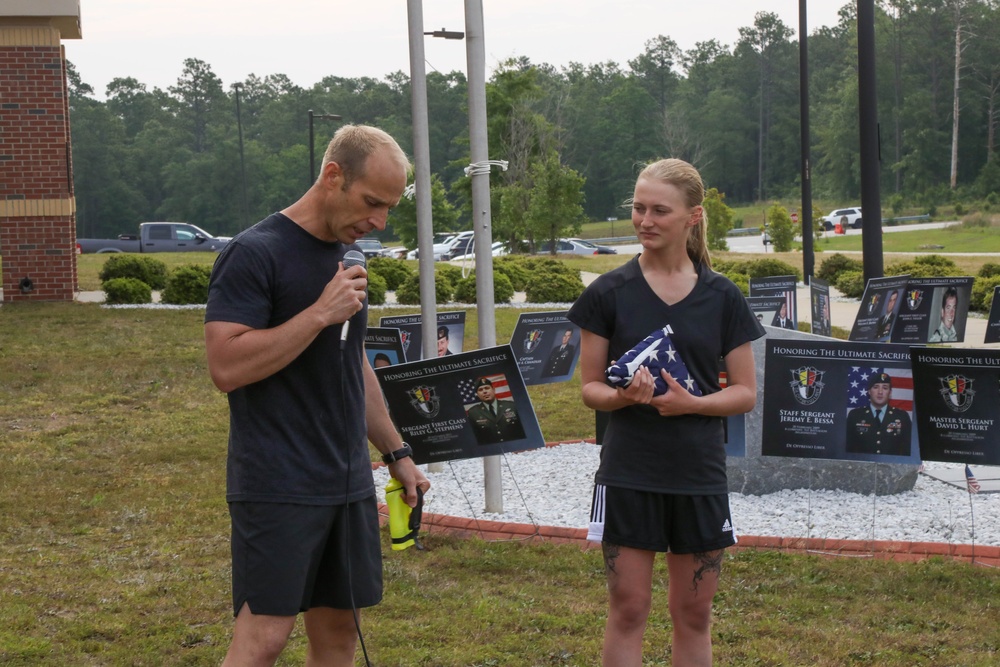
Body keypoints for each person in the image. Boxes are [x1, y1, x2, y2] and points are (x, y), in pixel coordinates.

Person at [204, 124, 430, 667]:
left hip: (346, 480)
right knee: (265, 639)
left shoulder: (349, 260)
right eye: (372, 202)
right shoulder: (253, 254)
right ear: (333, 176)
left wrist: (397, 453)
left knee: (338, 633)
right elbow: (227, 365)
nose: (378, 222)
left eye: (390, 208)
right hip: (278, 481)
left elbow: (350, 363)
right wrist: (319, 314)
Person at [568, 158, 764, 666]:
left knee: (694, 614)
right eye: (638, 208)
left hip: (698, 474)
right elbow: (589, 388)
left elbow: (744, 392)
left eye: (659, 210)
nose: (645, 220)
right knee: (628, 610)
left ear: (692, 217)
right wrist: (621, 398)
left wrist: (692, 404)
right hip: (629, 470)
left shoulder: (722, 297)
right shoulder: (608, 293)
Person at [845, 372, 912, 456]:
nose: (880, 392)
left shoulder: (902, 416)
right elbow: (847, 450)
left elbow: (908, 451)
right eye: (876, 387)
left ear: (890, 392)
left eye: (885, 388)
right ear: (869, 391)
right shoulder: (855, 415)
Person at [465, 376, 525, 444]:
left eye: (487, 388)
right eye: (480, 390)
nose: (484, 391)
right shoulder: (473, 413)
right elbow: (475, 439)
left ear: (493, 390)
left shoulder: (511, 406)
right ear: (477, 394)